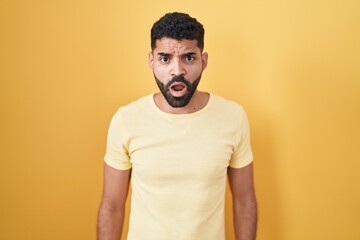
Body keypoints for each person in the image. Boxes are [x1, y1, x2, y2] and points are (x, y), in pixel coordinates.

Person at [97, 12, 257, 240]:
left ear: (203, 61)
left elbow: (244, 201)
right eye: (165, 58)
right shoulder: (126, 120)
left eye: (188, 58)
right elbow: (112, 206)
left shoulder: (233, 117)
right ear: (151, 60)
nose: (177, 70)